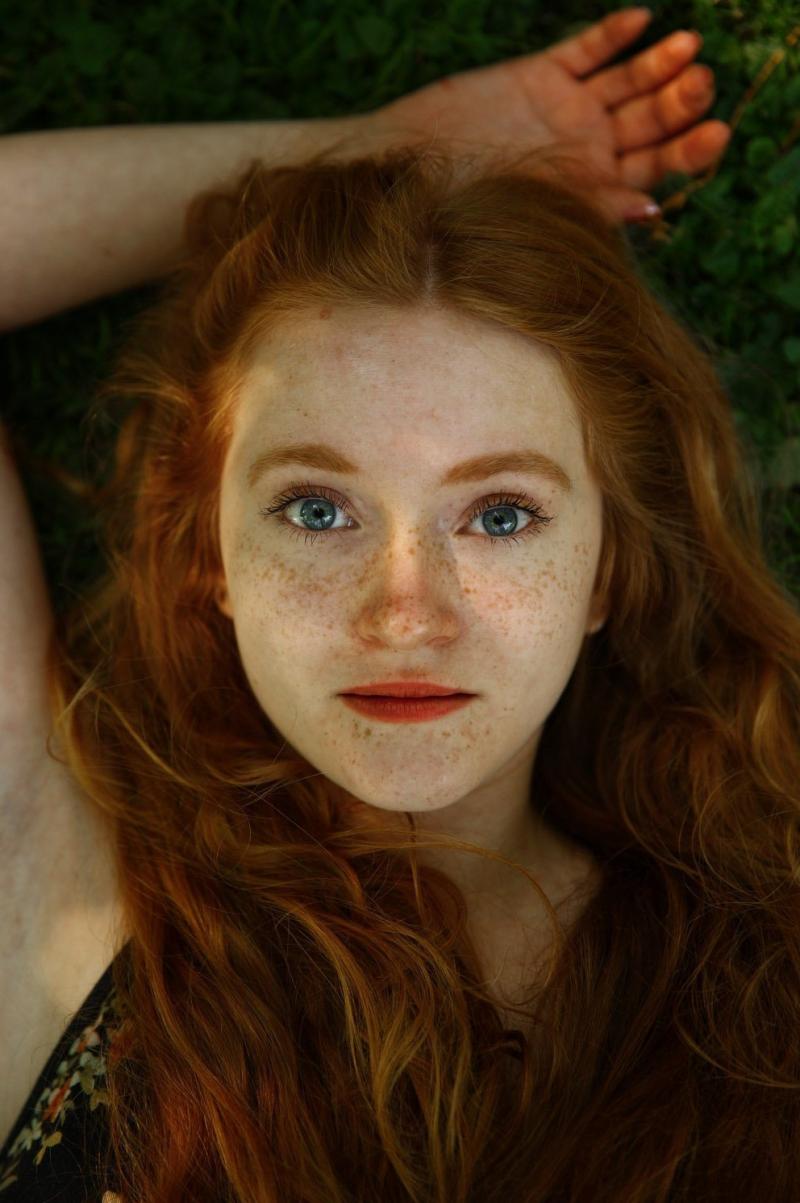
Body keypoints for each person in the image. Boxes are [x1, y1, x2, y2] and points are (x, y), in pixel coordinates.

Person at [7, 9, 794, 1203]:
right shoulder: (67, 885)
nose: (406, 615)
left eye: (500, 515)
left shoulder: (766, 973)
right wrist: (379, 146)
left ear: (606, 571)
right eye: (316, 509)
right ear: (209, 554)